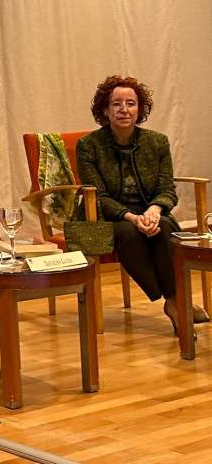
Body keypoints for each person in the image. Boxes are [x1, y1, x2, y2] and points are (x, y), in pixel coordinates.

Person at [75, 75, 204, 332]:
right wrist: (133, 217)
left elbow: (166, 189)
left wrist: (154, 210)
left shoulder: (157, 142)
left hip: (148, 213)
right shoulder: (88, 146)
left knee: (164, 227)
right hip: (101, 218)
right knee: (129, 232)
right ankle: (176, 301)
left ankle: (174, 301)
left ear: (139, 109)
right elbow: (98, 196)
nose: (124, 110)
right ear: (105, 110)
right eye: (116, 104)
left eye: (131, 103)